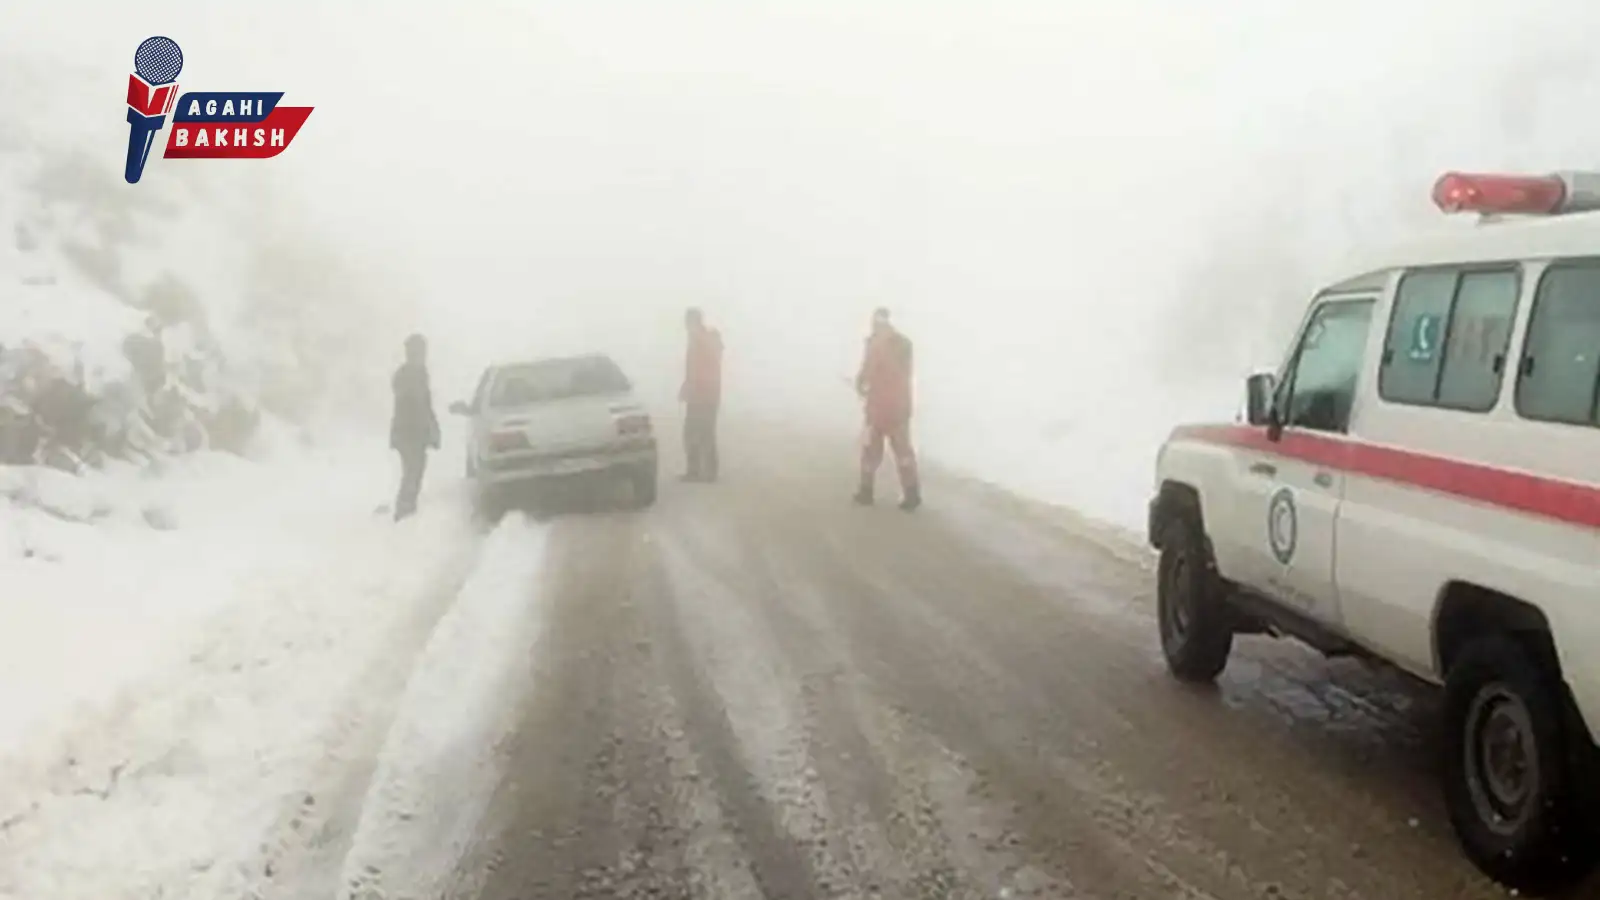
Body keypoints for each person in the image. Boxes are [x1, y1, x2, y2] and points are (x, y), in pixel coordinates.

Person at [854, 307, 921, 510]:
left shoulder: (875, 343)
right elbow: (905, 373)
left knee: (870, 450)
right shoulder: (904, 344)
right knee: (903, 451)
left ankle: (866, 492)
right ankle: (912, 494)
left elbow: (868, 370)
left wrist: (861, 383)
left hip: (878, 407)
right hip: (901, 406)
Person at [390, 333, 440, 521]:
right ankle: (404, 512)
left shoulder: (420, 373)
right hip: (407, 432)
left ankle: (408, 509)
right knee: (412, 471)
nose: (423, 355)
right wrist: (428, 426)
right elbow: (414, 404)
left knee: (415, 470)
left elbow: (426, 404)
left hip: (415, 432)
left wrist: (432, 427)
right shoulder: (405, 374)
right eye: (419, 351)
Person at [680, 307, 723, 482]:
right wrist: (686, 386)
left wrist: (693, 385)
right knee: (692, 432)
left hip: (706, 394)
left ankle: (708, 471)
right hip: (698, 394)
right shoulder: (697, 340)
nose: (685, 327)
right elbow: (692, 368)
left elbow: (708, 365)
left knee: (704, 432)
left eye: (687, 322)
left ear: (694, 322)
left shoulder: (705, 338)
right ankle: (695, 470)